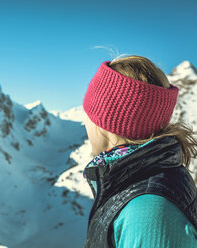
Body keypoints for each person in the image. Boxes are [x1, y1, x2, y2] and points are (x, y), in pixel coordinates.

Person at [81, 55, 197, 248]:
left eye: (88, 113)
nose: (84, 122)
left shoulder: (147, 213)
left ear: (103, 124)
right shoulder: (142, 183)